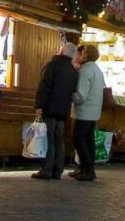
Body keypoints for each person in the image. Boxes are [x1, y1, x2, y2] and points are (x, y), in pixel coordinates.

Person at [31, 41, 79, 180]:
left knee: (48, 139)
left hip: (50, 109)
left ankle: (46, 169)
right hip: (63, 111)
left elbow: (44, 87)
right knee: (59, 140)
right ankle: (58, 170)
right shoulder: (73, 72)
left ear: (62, 51)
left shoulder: (53, 66)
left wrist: (39, 106)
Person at [71, 43, 105, 181]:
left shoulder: (85, 71)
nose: (79, 55)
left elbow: (80, 95)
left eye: (82, 52)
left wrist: (69, 95)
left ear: (85, 55)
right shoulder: (97, 70)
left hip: (84, 112)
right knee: (88, 141)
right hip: (94, 111)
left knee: (78, 139)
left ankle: (87, 169)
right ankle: (87, 168)